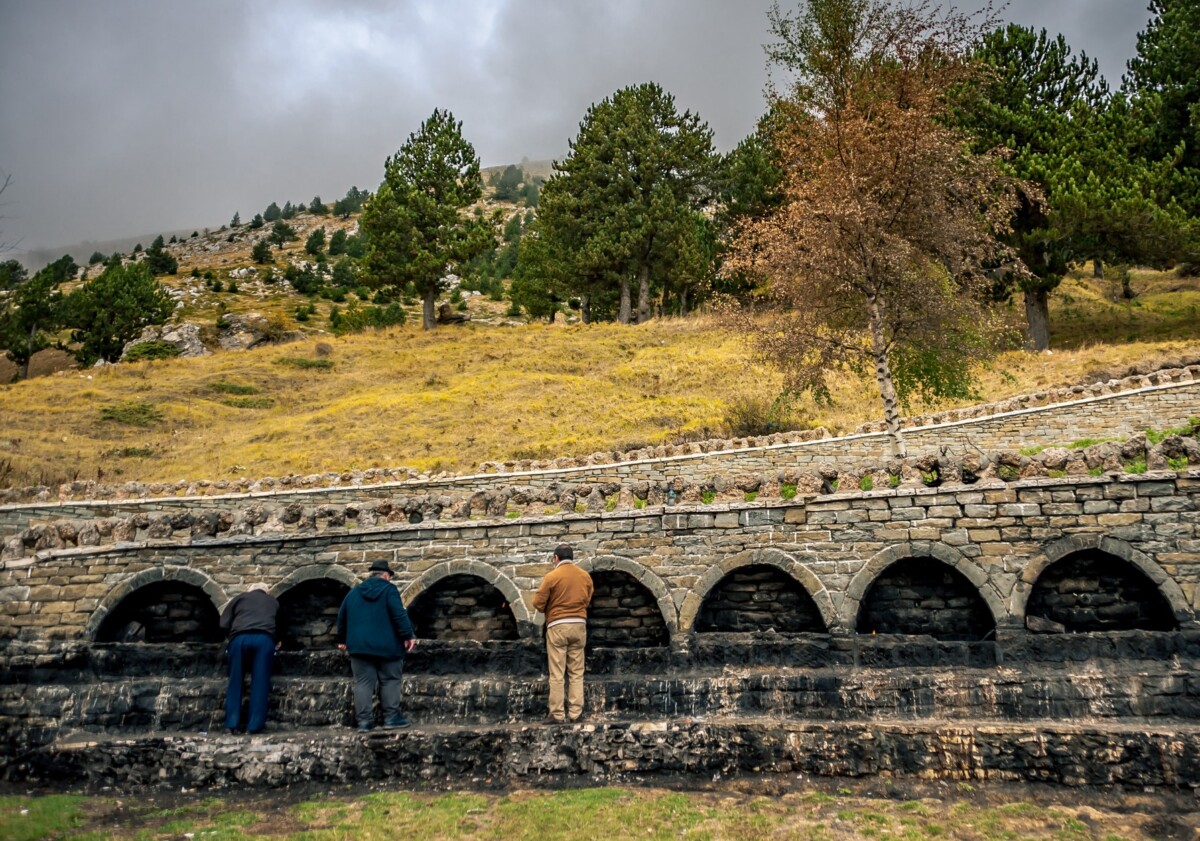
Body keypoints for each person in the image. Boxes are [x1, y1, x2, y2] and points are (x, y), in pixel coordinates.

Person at [336, 559, 417, 732]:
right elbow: (398, 614)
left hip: (359, 646)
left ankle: (364, 722)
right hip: (388, 646)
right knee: (390, 680)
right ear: (386, 576)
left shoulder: (354, 593)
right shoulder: (389, 590)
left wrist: (342, 639)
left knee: (363, 683)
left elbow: (342, 616)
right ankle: (391, 718)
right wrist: (408, 635)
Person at [531, 543, 593, 723]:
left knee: (557, 672)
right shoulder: (585, 576)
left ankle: (557, 714)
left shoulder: (552, 576)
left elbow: (537, 603)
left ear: (556, 558)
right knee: (576, 671)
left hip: (558, 625)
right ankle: (576, 713)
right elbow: (587, 599)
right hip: (579, 625)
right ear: (571, 557)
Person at [219, 582, 280, 735]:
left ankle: (231, 724)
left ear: (250, 590)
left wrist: (231, 636)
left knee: (235, 681)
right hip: (264, 639)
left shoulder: (239, 598)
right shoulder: (273, 601)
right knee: (260, 682)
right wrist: (277, 641)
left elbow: (223, 623)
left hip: (239, 638)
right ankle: (254, 727)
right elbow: (281, 625)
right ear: (266, 592)